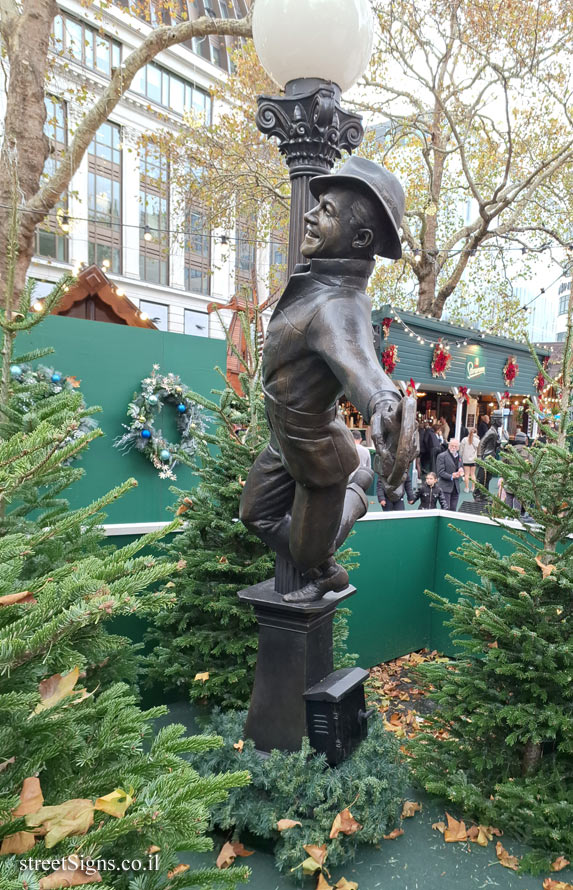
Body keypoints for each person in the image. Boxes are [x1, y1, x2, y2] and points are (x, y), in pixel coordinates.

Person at [240, 155, 415, 604]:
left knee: (306, 550)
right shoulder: (318, 283)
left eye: (327, 211)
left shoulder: (338, 304)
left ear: (360, 238)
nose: (309, 215)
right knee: (255, 514)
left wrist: (383, 403)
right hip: (285, 442)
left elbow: (359, 360)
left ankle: (346, 513)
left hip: (316, 458)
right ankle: (349, 500)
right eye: (317, 207)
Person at [436, 438, 463, 510]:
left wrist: (461, 470)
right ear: (448, 446)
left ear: (458, 448)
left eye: (455, 446)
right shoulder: (441, 456)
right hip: (445, 487)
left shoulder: (459, 457)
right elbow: (440, 472)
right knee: (446, 509)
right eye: (452, 446)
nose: (453, 448)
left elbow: (460, 466)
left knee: (453, 510)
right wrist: (451, 476)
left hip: (456, 488)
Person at [459, 427, 480, 493]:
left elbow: (461, 450)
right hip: (474, 459)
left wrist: (461, 456)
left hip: (466, 459)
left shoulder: (464, 440)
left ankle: (467, 488)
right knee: (473, 474)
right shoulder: (477, 440)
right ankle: (473, 487)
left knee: (466, 474)